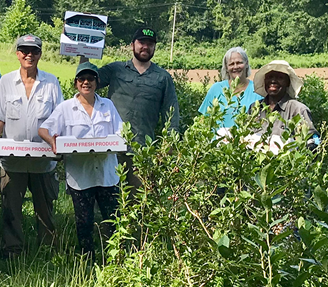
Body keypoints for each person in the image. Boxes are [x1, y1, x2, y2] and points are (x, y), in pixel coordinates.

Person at [0, 34, 63, 257]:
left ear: (40, 54)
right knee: (11, 209)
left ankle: (48, 251)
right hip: (12, 162)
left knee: (45, 210)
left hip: (44, 162)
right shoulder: (6, 82)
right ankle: (12, 249)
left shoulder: (51, 82)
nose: (29, 55)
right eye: (24, 50)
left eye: (34, 51)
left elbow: (60, 118)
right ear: (17, 53)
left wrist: (60, 147)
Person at [39, 63, 123, 256]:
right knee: (84, 222)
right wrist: (53, 142)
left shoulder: (108, 106)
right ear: (76, 83)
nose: (86, 82)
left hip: (107, 174)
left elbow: (120, 132)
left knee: (114, 220)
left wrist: (117, 142)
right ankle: (87, 260)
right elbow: (44, 129)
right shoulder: (65, 108)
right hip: (80, 176)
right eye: (82, 79)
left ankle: (116, 259)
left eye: (91, 79)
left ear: (97, 82)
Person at [83, 27, 179, 190]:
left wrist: (168, 146)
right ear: (132, 45)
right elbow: (86, 82)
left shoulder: (162, 78)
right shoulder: (115, 69)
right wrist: (83, 50)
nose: (145, 47)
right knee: (109, 199)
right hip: (111, 148)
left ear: (154, 47)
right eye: (141, 42)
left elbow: (172, 112)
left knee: (137, 201)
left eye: (150, 43)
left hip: (142, 152)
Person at [250, 60, 318, 149]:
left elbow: (312, 143)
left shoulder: (298, 110)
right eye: (270, 77)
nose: (273, 81)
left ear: (287, 83)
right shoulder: (255, 108)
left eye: (280, 77)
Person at [198, 47, 263, 129]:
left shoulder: (258, 90)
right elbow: (203, 119)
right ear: (226, 67)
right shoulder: (216, 89)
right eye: (231, 64)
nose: (235, 67)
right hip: (218, 141)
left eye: (239, 63)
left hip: (248, 140)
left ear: (246, 64)